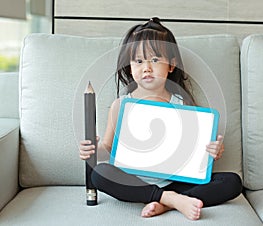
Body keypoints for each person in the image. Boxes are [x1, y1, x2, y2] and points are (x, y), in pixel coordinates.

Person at [79, 17, 242, 221]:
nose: (146, 68)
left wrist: (213, 151)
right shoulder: (120, 105)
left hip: (173, 181)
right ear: (130, 67)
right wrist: (94, 150)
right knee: (100, 173)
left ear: (171, 66)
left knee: (232, 182)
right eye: (138, 61)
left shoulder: (181, 103)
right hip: (135, 182)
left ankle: (164, 202)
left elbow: (194, 154)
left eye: (155, 60)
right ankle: (170, 199)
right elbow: (108, 149)